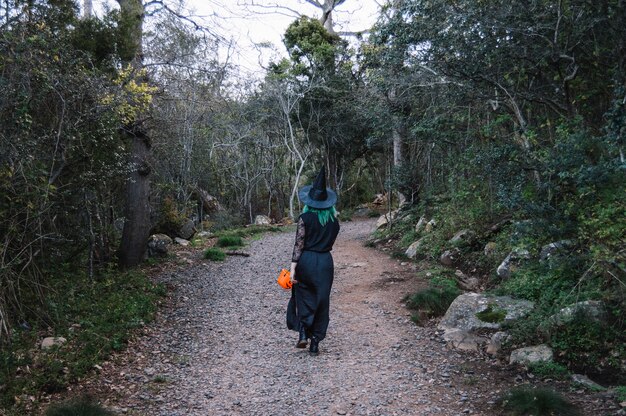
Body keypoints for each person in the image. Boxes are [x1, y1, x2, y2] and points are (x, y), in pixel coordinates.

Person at [288, 167, 340, 356]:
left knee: (303, 296)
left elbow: (298, 244)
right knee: (322, 300)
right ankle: (315, 342)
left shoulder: (304, 218)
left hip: (306, 261)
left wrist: (293, 268)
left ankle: (303, 332)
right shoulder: (334, 222)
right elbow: (330, 242)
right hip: (325, 262)